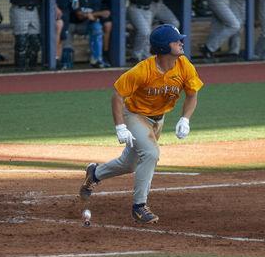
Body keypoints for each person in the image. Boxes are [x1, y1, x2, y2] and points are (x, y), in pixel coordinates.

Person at [79, 24, 203, 224]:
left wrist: (185, 118)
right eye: (176, 40)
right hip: (135, 115)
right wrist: (120, 126)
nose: (181, 42)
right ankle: (139, 207)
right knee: (151, 154)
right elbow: (118, 96)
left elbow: (192, 94)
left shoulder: (184, 65)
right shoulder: (142, 70)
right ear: (164, 47)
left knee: (130, 164)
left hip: (157, 119)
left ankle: (95, 174)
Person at [70, 0, 111, 68]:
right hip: (73, 24)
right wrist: (98, 14)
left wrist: (92, 15)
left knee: (97, 27)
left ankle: (96, 60)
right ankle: (65, 62)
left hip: (87, 25)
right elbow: (78, 15)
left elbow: (94, 17)